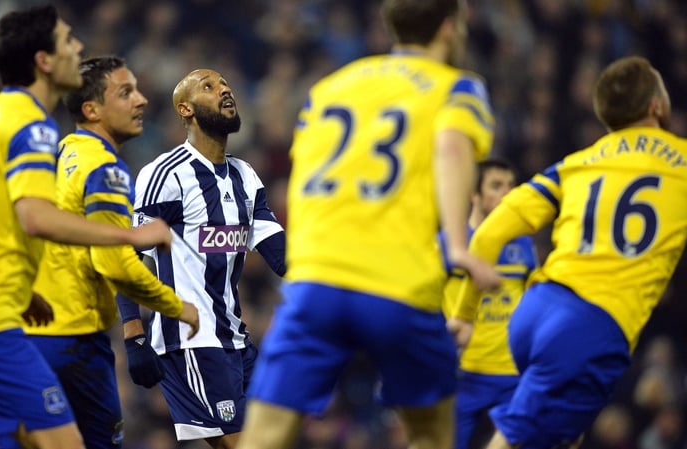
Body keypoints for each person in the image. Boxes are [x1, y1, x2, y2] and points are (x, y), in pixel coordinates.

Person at [0, 6, 191, 449]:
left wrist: (22, 288)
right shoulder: (34, 128)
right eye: (67, 41)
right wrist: (133, 237)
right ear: (43, 60)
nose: (77, 48)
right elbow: (35, 218)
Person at [235, 0, 502, 448]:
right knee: (432, 431)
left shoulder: (331, 87)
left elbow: (304, 172)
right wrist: (458, 246)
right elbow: (452, 148)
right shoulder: (456, 88)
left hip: (316, 282)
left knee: (264, 435)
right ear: (451, 28)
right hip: (397, 285)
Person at [447, 56, 687, 449]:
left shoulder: (576, 164)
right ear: (656, 106)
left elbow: (487, 236)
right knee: (513, 439)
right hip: (591, 327)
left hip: (534, 312)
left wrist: (464, 314)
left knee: (562, 433)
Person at [24, 55, 200, 449]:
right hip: (74, 339)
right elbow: (114, 261)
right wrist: (176, 307)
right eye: (125, 93)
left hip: (30, 331)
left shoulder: (60, 154)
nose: (141, 101)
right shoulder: (107, 171)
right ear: (91, 110)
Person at [116, 68, 286, 449]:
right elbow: (126, 255)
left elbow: (282, 256)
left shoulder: (246, 177)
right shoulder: (165, 174)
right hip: (190, 341)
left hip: (237, 339)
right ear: (185, 110)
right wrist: (133, 335)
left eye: (226, 84)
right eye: (209, 87)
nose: (224, 89)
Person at [439, 159, 538, 449]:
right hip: (463, 375)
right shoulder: (450, 245)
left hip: (512, 376)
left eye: (511, 186)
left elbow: (535, 302)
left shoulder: (524, 246)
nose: (507, 193)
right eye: (496, 186)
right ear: (474, 195)